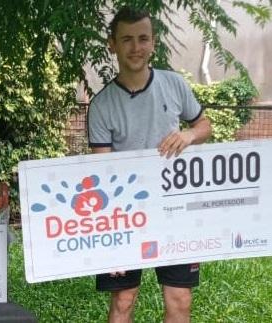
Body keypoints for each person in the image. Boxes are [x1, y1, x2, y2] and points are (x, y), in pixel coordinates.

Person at [87, 6, 212, 323]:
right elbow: (103, 176)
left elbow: (204, 126)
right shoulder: (101, 106)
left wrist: (188, 135)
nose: (136, 47)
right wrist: (111, 238)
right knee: (124, 301)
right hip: (125, 213)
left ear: (154, 42)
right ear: (112, 44)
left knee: (180, 300)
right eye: (126, 39)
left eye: (143, 38)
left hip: (176, 209)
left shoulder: (174, 84)